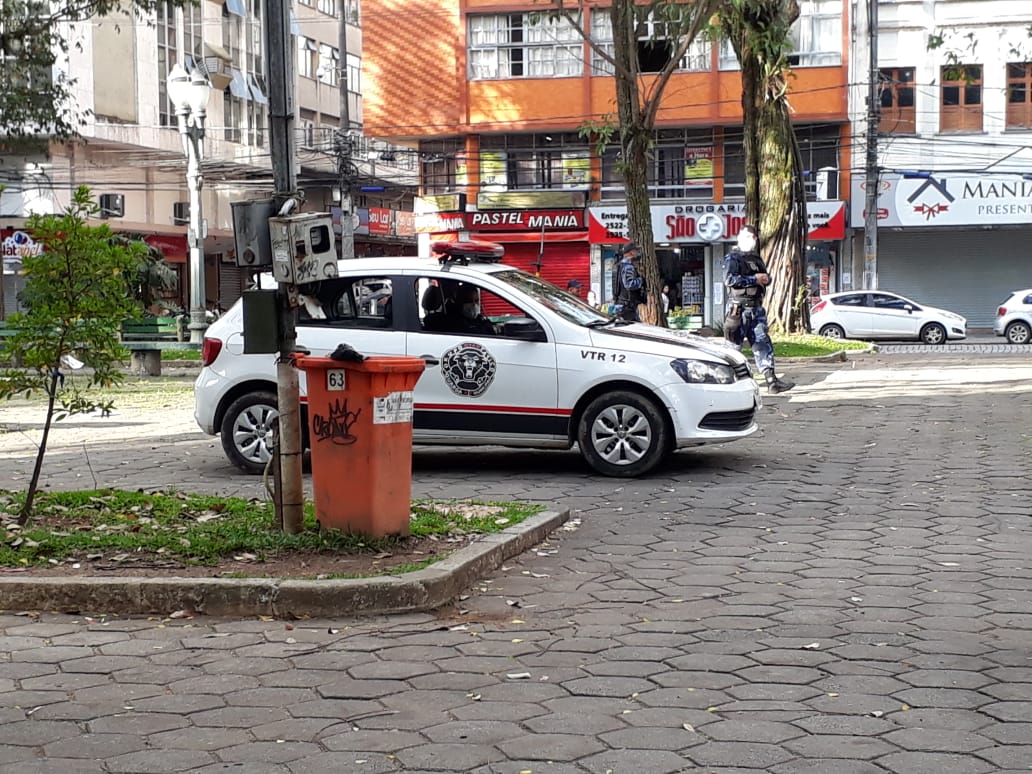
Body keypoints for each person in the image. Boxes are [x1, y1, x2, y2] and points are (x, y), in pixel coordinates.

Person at [722, 224, 794, 394]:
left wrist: (765, 279)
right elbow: (730, 280)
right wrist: (753, 279)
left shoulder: (756, 258)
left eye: (753, 237)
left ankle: (771, 381)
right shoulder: (732, 258)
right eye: (747, 236)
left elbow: (765, 277)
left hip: (756, 309)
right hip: (737, 310)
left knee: (762, 343)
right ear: (739, 237)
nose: (751, 240)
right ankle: (729, 384)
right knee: (733, 347)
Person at [612, 242, 645, 322]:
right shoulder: (628, 266)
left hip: (621, 304)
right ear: (631, 252)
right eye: (636, 250)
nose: (638, 253)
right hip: (627, 306)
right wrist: (642, 280)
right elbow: (629, 284)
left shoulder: (619, 265)